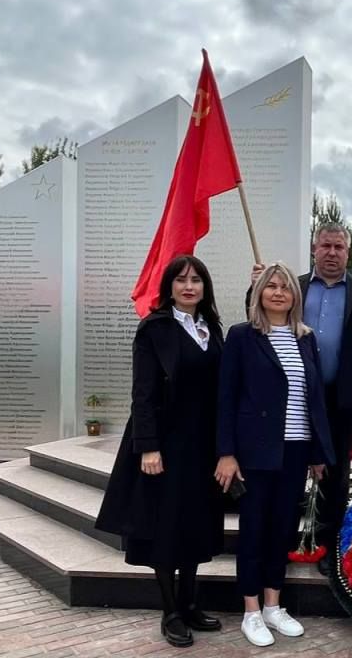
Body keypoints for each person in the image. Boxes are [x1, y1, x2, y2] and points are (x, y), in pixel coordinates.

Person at [248, 222, 352, 576]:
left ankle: (329, 548)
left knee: (335, 472)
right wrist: (253, 288)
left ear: (348, 252)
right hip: (293, 398)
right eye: (325, 246)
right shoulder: (293, 287)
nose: (332, 253)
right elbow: (258, 321)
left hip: (341, 396)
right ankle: (284, 541)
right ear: (315, 249)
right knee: (289, 469)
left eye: (339, 247)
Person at [96, 255, 225, 648]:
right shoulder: (155, 328)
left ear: (206, 287)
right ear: (169, 286)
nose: (189, 287)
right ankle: (170, 611)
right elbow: (143, 393)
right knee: (166, 528)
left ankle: (189, 602)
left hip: (204, 446)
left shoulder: (212, 328)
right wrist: (147, 447)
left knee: (196, 525)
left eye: (197, 280)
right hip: (166, 447)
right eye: (181, 280)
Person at [216, 262, 336, 647]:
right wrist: (226, 453)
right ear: (260, 293)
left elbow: (313, 400)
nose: (280, 292)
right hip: (254, 451)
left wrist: (318, 452)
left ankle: (273, 604)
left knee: (283, 529)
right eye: (272, 286)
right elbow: (226, 398)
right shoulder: (241, 337)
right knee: (254, 530)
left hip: (296, 450)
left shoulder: (306, 337)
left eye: (286, 287)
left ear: (295, 297)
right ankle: (251, 610)